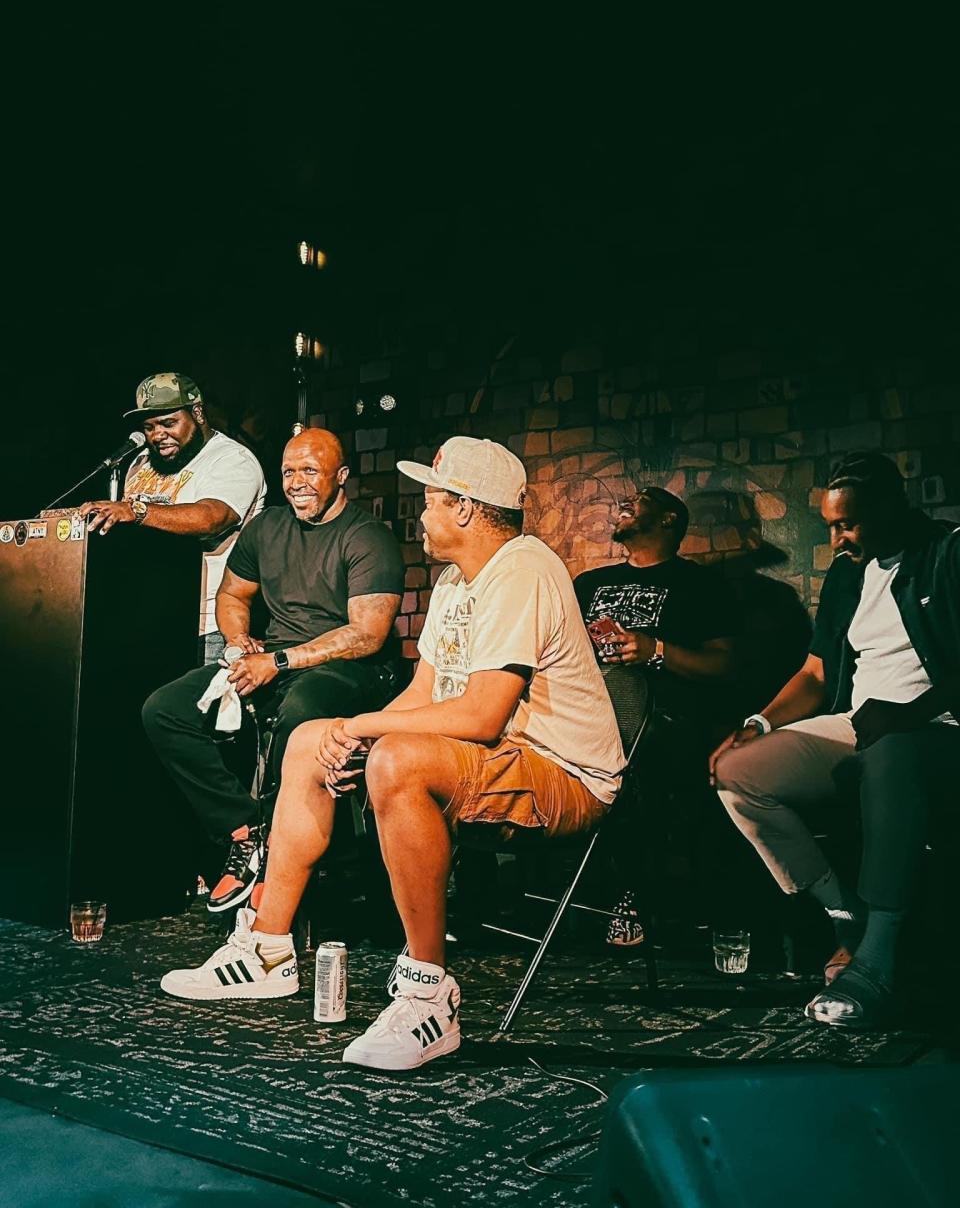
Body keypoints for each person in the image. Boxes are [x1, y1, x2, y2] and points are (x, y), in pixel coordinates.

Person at [160, 436, 626, 1073]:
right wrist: (349, 731)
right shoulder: (455, 584)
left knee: (395, 758)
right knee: (309, 737)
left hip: (561, 774)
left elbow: (483, 714)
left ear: (465, 508)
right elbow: (425, 692)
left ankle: (429, 995)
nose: (422, 514)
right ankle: (267, 947)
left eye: (431, 500)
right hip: (492, 759)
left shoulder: (524, 567)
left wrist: (365, 729)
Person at [710, 451, 959, 1028]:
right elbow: (817, 674)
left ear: (890, 506)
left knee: (892, 751)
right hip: (863, 724)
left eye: (847, 523)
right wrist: (757, 724)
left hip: (938, 729)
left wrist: (908, 715)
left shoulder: (947, 552)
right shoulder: (850, 572)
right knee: (740, 772)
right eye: (829, 526)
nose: (838, 538)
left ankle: (877, 961)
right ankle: (846, 918)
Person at [142, 428, 404, 913]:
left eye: (310, 471)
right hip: (277, 659)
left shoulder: (368, 537)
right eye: (288, 472)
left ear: (341, 476)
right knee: (167, 709)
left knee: (301, 706)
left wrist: (278, 661)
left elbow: (367, 634)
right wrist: (239, 640)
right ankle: (247, 831)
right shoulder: (266, 529)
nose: (297, 482)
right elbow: (232, 595)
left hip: (355, 668)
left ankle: (281, 850)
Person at [574, 486, 739, 941]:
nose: (625, 500)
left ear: (670, 520)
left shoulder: (700, 585)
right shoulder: (587, 585)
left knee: (630, 704)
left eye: (641, 498)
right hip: (584, 715)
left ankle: (630, 893)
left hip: (665, 722)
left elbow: (725, 664)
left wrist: (654, 650)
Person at [79, 373, 267, 664]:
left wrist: (137, 511)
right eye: (149, 427)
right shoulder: (140, 463)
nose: (158, 435)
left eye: (169, 423)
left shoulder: (231, 459)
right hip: (148, 620)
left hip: (211, 625)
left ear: (198, 413)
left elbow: (212, 517)